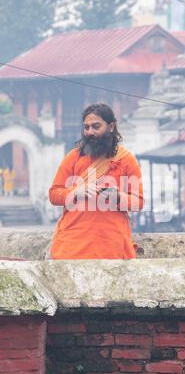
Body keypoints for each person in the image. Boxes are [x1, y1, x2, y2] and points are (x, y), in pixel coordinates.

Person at [49, 103, 144, 259]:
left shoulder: (126, 160)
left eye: (95, 126)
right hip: (72, 245)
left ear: (111, 126)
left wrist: (118, 196)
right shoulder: (73, 157)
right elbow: (54, 194)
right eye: (86, 127)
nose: (89, 132)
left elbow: (138, 202)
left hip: (111, 245)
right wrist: (76, 192)